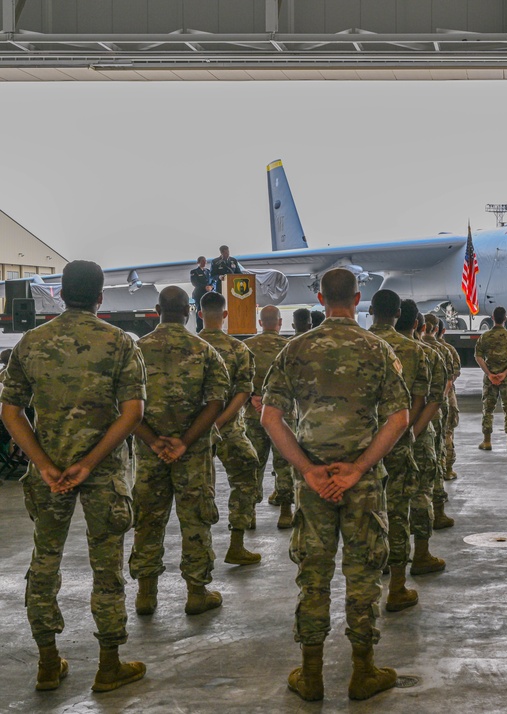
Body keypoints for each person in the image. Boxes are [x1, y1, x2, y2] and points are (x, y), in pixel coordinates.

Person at [261, 268, 409, 703]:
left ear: (321, 298)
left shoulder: (294, 349)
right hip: (359, 483)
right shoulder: (377, 350)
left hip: (314, 483)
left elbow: (271, 418)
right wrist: (360, 467)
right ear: (358, 298)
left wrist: (308, 470)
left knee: (314, 576)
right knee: (363, 574)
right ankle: (362, 670)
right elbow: (399, 418)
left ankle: (311, 674)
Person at [1, 260, 147, 693]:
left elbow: (11, 410)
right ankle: (109, 665)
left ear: (60, 294)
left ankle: (47, 663)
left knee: (44, 561)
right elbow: (133, 413)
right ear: (101, 297)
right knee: (107, 566)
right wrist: (91, 461)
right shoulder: (120, 343)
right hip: (103, 474)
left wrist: (44, 463)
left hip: (48, 472)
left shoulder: (31, 342)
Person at [129, 286, 228, 620]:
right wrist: (184, 442)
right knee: (195, 520)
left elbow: (123, 405)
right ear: (188, 311)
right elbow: (216, 402)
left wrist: (154, 440)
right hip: (193, 453)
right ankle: (197, 593)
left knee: (148, 519)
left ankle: (146, 595)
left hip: (149, 453)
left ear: (158, 309)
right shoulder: (204, 350)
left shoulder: (136, 350)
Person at [368, 290, 438, 611]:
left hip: (361, 445)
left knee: (364, 513)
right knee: (397, 512)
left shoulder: (359, 344)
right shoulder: (414, 350)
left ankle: (367, 587)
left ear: (370, 310)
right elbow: (420, 399)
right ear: (398, 313)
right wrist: (406, 433)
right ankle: (396, 587)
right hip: (397, 441)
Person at [198, 291, 263, 564]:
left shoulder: (193, 345)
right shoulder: (239, 349)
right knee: (247, 472)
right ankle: (236, 543)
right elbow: (244, 392)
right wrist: (220, 422)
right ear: (225, 315)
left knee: (198, 488)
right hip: (228, 429)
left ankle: (201, 552)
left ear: (200, 314)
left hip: (193, 432)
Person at [397, 303, 448, 576]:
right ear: (417, 325)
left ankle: (386, 560)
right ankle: (421, 555)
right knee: (420, 494)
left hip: (373, 439)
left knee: (383, 500)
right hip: (417, 434)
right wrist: (412, 434)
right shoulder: (427, 354)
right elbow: (436, 398)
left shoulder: (370, 348)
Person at [243, 306, 294, 528]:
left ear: (260, 322)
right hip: (284, 416)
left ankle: (251, 513)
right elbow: (297, 383)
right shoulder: (290, 348)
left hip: (254, 415)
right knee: (284, 462)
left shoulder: (246, 347)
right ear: (280, 323)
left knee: (254, 463)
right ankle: (285, 511)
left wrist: (251, 399)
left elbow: (237, 382)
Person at [421, 313, 457, 530]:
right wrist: (441, 400)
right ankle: (437, 505)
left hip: (403, 415)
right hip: (435, 407)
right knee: (438, 448)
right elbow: (450, 378)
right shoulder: (441, 350)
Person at [475, 306, 507, 451]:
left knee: (488, 409)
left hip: (490, 379)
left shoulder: (485, 337)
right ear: (505, 319)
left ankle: (487, 441)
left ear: (493, 318)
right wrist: (505, 373)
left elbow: (478, 357)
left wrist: (489, 374)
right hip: (506, 379)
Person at [435, 320, 463, 481]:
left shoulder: (419, 346)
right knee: (448, 432)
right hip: (446, 395)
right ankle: (447, 469)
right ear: (442, 331)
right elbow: (455, 373)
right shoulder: (448, 349)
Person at [189, 256, 214, 332]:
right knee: (200, 311)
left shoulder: (208, 271)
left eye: (205, 261)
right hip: (199, 294)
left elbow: (213, 281)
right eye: (202, 261)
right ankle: (199, 328)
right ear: (198, 262)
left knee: (210, 311)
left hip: (208, 294)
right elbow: (195, 283)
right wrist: (205, 287)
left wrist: (211, 287)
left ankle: (209, 327)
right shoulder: (194, 272)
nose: (204, 262)